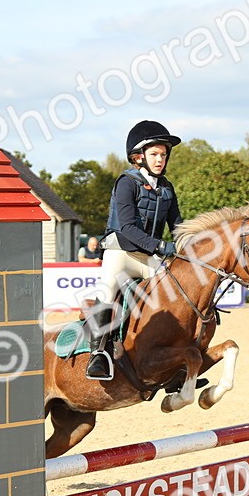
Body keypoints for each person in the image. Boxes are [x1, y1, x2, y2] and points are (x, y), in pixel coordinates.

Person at [84, 120, 183, 380]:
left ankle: (173, 357)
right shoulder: (126, 183)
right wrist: (160, 246)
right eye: (155, 154)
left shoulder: (167, 188)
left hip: (149, 258)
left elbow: (177, 225)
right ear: (139, 157)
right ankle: (98, 355)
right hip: (121, 253)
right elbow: (127, 226)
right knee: (108, 288)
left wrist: (188, 243)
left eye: (163, 154)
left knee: (176, 292)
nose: (160, 159)